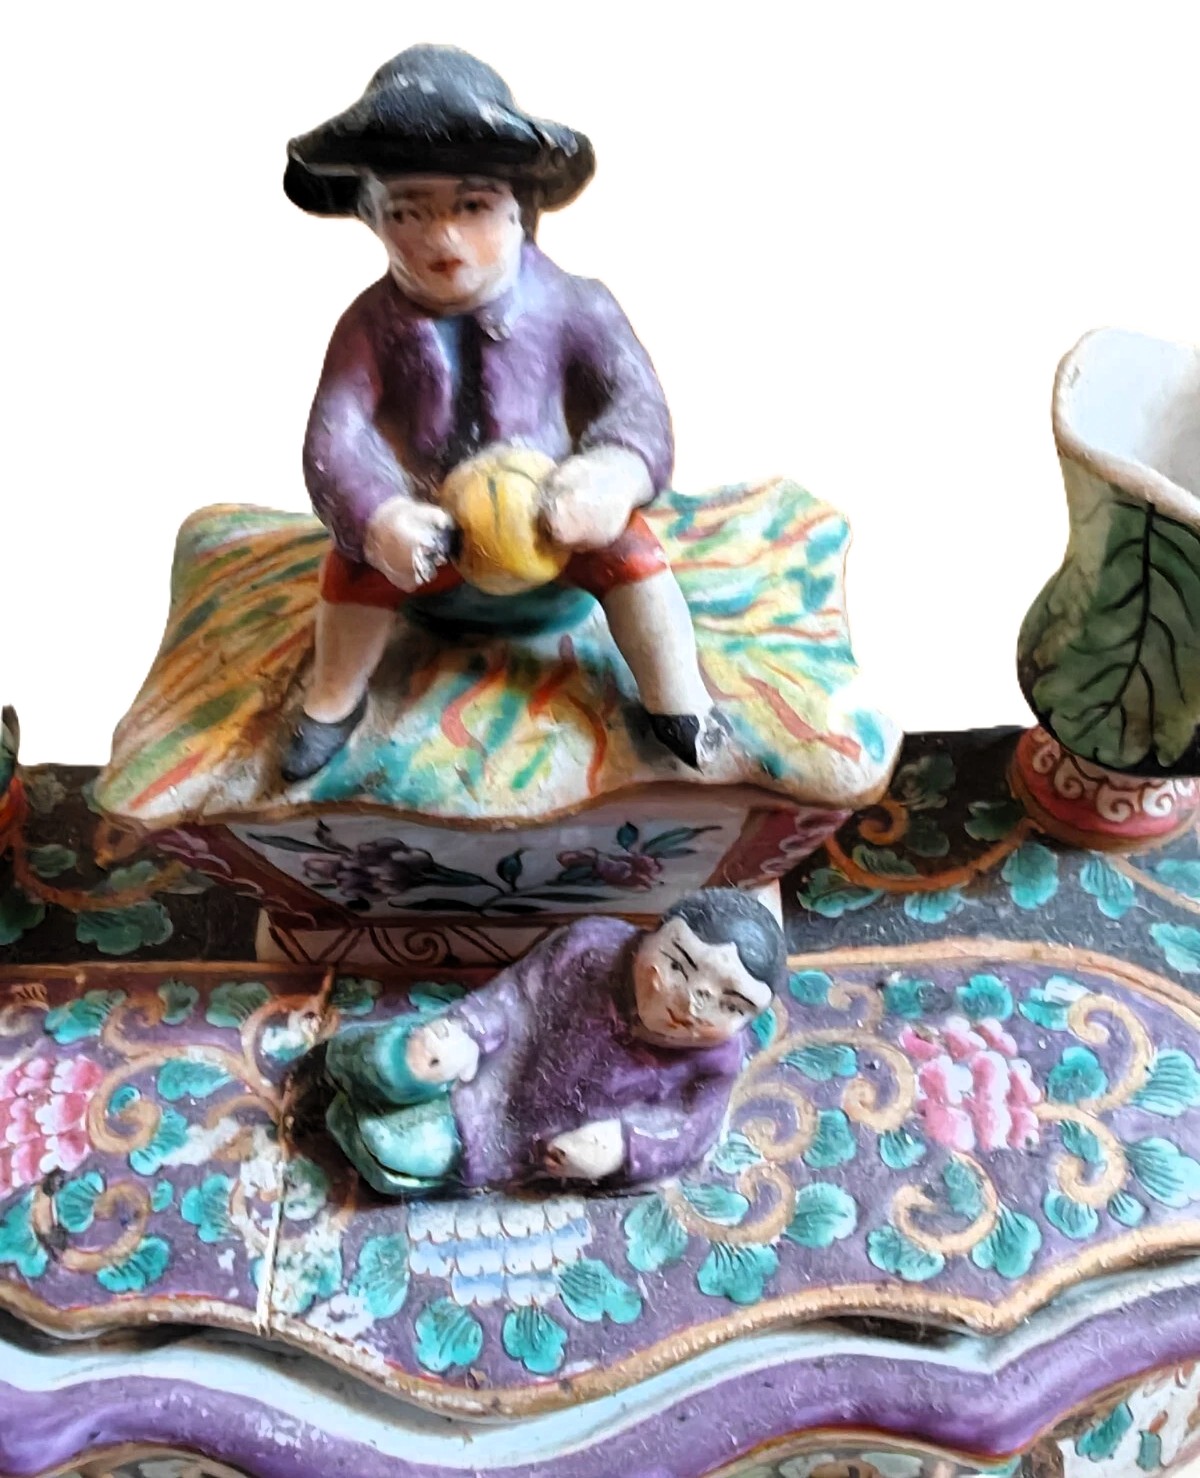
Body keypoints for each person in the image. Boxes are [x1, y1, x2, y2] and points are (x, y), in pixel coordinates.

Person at [280, 44, 722, 782]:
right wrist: (380, 516)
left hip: (555, 523)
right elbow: (338, 434)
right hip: (433, 535)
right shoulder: (368, 327)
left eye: (473, 207)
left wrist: (611, 475)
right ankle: (332, 701)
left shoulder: (578, 305)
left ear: (522, 210)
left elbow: (637, 404)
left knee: (634, 557)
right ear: (373, 219)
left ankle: (680, 702)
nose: (443, 241)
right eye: (408, 212)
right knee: (350, 570)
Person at [321, 888, 786, 1195]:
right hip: (496, 1060)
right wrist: (467, 1031)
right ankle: (344, 1067)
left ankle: (351, 1123)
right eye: (678, 965)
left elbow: (694, 1130)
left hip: (525, 1133)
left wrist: (623, 1147)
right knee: (395, 1064)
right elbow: (518, 995)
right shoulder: (592, 949)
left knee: (396, 1148)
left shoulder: (718, 1059)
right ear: (651, 937)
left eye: (730, 1005)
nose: (690, 1003)